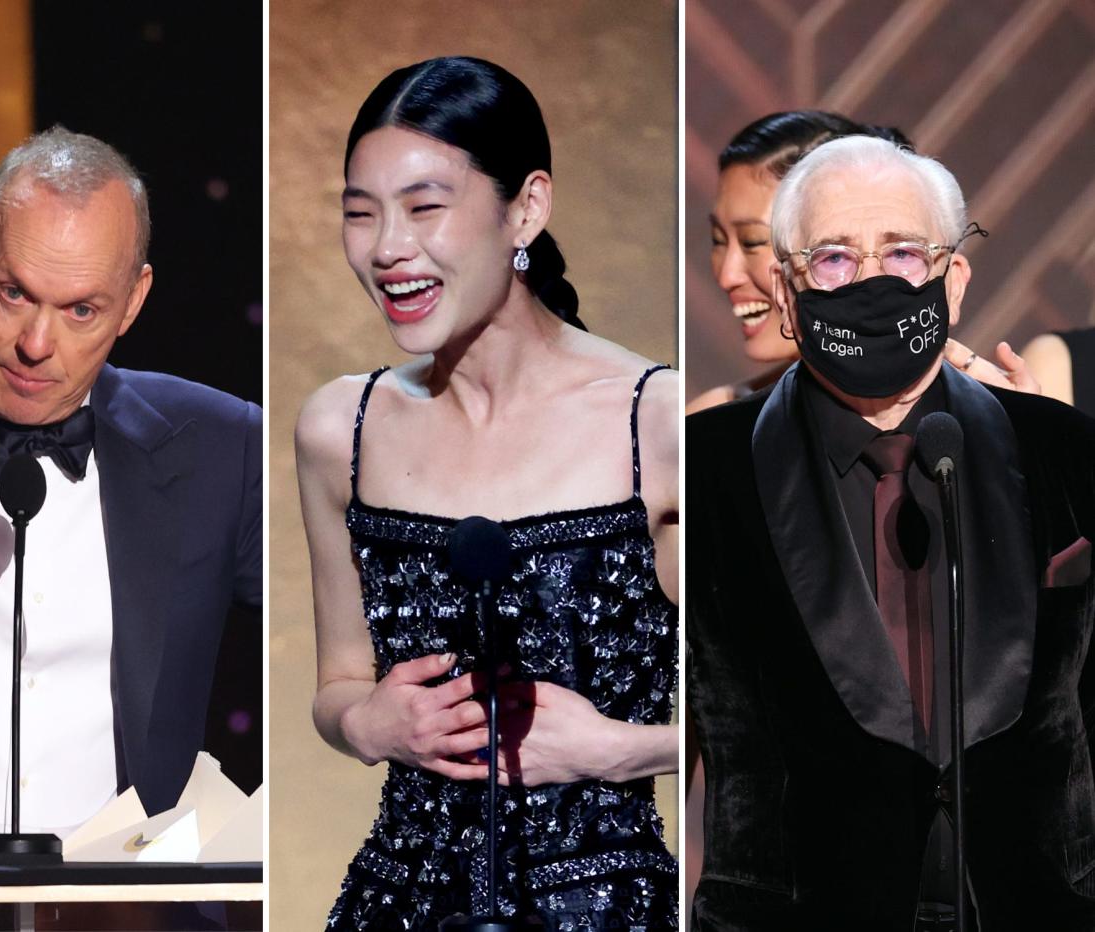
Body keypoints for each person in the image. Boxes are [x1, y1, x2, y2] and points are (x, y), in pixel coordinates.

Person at [295, 57, 679, 929]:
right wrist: (367, 726)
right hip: (398, 898)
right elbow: (340, 683)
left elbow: (760, 716)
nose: (388, 247)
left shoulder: (650, 423)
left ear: (528, 208)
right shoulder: (338, 431)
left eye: (425, 207)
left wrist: (620, 751)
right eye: (360, 214)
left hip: (601, 902)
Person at [687, 134, 1095, 930]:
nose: (872, 281)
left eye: (904, 252)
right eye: (835, 258)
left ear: (956, 278)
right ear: (785, 287)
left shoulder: (1067, 453)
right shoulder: (703, 472)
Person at [0, 127, 262, 861]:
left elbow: (345, 626)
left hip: (121, 916)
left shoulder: (219, 449)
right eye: (13, 293)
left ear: (133, 301)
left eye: (81, 311)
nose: (37, 344)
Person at [688, 111, 1035, 415]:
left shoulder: (988, 412)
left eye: (752, 241)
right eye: (719, 241)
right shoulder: (709, 430)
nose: (726, 275)